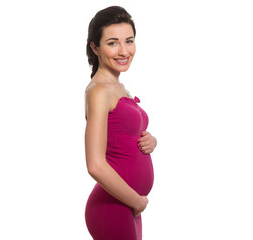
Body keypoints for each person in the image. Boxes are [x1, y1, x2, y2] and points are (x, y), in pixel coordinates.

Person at [84, 6, 157, 240]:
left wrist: (150, 141)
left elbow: (122, 135)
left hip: (127, 205)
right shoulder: (98, 91)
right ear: (95, 47)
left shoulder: (118, 87)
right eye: (113, 43)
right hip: (113, 206)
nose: (124, 51)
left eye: (129, 41)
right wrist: (136, 200)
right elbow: (95, 164)